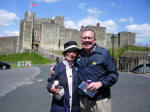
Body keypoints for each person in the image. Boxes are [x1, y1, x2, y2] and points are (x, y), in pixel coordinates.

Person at [77, 26, 119, 112]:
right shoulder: (78, 54)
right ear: (81, 40)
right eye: (84, 38)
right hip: (82, 100)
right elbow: (68, 65)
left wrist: (100, 83)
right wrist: (55, 69)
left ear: (94, 40)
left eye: (89, 38)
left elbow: (114, 74)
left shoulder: (104, 54)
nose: (87, 40)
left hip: (100, 100)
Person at [47, 41, 80, 112]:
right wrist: (51, 88)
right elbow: (50, 82)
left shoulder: (79, 67)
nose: (71, 54)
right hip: (60, 107)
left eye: (74, 52)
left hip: (76, 108)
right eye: (69, 51)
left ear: (77, 54)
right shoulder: (57, 67)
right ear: (65, 53)